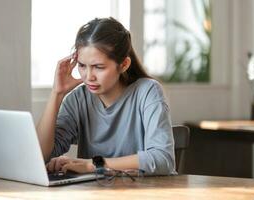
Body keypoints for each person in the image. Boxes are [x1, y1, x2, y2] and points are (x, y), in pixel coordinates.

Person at [36, 17, 175, 175]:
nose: (88, 77)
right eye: (82, 66)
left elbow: (163, 159)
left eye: (98, 67)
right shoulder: (77, 100)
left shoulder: (148, 91)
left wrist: (94, 164)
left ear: (123, 65)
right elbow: (39, 156)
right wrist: (57, 93)